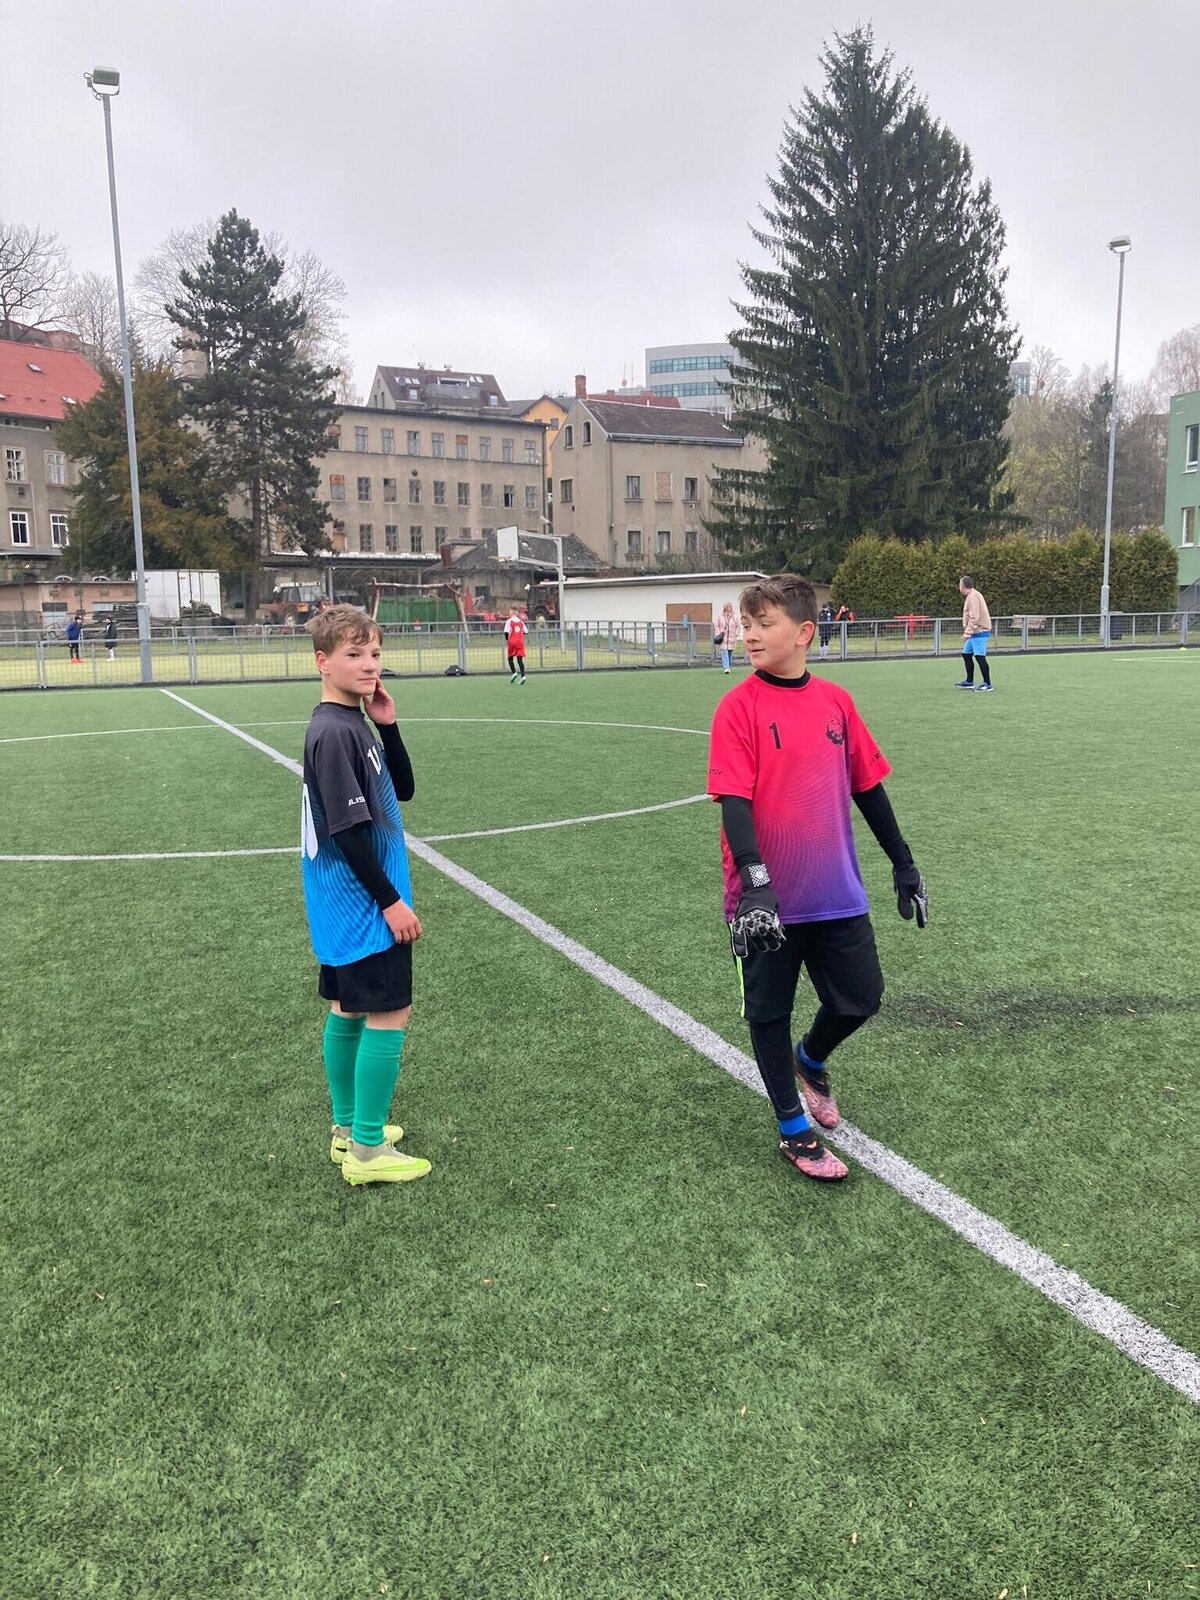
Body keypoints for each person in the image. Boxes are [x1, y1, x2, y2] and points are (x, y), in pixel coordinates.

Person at [707, 575, 927, 1183]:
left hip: (835, 888)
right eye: (746, 625)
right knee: (768, 1011)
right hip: (765, 899)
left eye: (764, 624)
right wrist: (755, 883)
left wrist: (903, 861)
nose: (750, 635)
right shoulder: (738, 707)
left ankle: (812, 1058)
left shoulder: (837, 703)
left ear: (804, 632)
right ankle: (792, 1127)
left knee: (861, 997)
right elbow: (733, 801)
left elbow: (868, 787)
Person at [301, 604, 431, 1187]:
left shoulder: (354, 722)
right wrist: (389, 901)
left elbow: (403, 789)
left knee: (348, 1007)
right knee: (389, 1009)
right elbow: (349, 832)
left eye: (375, 653)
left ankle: (347, 1127)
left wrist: (389, 725)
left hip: (343, 901)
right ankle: (368, 1149)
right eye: (354, 654)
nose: (369, 664)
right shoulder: (333, 732)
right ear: (322, 661)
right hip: (360, 902)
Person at [955, 575, 993, 691]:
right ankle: (969, 681)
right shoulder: (973, 595)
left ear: (962, 586)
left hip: (979, 632)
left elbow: (974, 617)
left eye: (959, 584)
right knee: (966, 654)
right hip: (974, 633)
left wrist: (968, 632)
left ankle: (987, 684)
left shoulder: (972, 597)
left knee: (980, 657)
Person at [714, 600, 742, 673]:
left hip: (731, 638)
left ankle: (728, 666)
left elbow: (738, 626)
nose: (730, 608)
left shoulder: (734, 617)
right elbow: (717, 625)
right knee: (724, 652)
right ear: (725, 607)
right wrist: (719, 633)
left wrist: (735, 634)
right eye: (728, 606)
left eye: (730, 606)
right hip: (723, 638)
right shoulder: (720, 616)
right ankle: (726, 667)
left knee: (729, 652)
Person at [503, 608, 528, 684]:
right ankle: (523, 676)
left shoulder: (509, 621)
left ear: (511, 613)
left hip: (512, 641)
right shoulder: (521, 621)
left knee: (510, 658)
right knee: (520, 659)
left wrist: (507, 640)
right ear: (517, 613)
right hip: (520, 642)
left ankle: (514, 672)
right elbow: (526, 631)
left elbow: (506, 632)